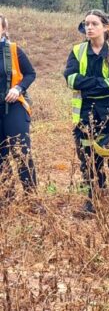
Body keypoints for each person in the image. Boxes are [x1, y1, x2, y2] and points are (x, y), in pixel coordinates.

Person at [64, 9, 109, 216]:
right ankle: (91, 202)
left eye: (94, 24)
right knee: (88, 160)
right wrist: (98, 84)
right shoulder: (77, 51)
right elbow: (70, 79)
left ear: (105, 27)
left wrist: (85, 84)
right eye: (87, 24)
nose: (89, 28)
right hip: (85, 114)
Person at [0, 14, 37, 204]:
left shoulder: (13, 50)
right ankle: (6, 196)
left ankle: (32, 197)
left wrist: (18, 88)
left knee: (21, 150)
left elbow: (31, 73)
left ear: (3, 29)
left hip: (14, 107)